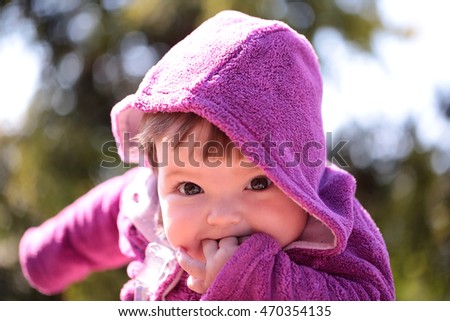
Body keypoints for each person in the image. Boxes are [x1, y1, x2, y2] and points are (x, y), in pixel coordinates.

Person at [19, 10, 395, 300]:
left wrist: (257, 282)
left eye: (259, 182)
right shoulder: (149, 204)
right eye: (191, 189)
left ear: (302, 182)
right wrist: (44, 259)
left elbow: (374, 301)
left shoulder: (332, 229)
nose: (222, 217)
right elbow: (96, 220)